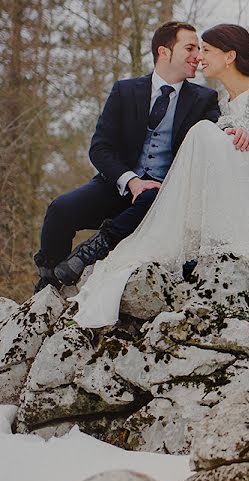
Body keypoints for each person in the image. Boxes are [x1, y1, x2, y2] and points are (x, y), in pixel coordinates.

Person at [69, 24, 249, 328]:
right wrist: (230, 132)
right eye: (196, 49)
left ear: (229, 56)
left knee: (203, 132)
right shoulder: (222, 102)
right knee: (207, 135)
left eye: (206, 50)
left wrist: (241, 131)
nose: (199, 57)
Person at [34, 21, 227, 292]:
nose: (198, 55)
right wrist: (132, 181)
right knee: (60, 209)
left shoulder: (205, 99)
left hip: (164, 195)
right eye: (190, 48)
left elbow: (214, 145)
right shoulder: (124, 91)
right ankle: (48, 281)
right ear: (164, 51)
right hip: (118, 185)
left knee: (151, 197)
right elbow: (100, 148)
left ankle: (92, 251)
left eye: (198, 49)